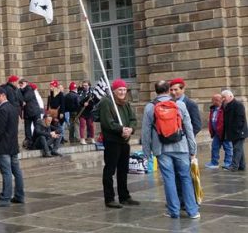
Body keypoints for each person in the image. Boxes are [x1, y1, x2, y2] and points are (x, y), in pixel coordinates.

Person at [141, 80, 198, 218]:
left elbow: (145, 132)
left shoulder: (150, 107)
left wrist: (147, 153)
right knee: (185, 178)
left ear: (156, 91)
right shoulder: (180, 105)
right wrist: (192, 149)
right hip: (181, 146)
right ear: (168, 90)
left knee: (169, 179)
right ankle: (192, 211)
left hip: (161, 148)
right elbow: (189, 128)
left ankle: (173, 211)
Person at [99, 79, 138, 209]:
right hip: (112, 141)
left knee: (123, 169)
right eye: (119, 90)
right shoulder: (106, 102)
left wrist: (130, 129)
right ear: (114, 91)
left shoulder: (125, 103)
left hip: (124, 141)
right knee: (110, 170)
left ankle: (124, 196)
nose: (122, 92)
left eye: (124, 90)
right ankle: (109, 198)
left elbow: (133, 119)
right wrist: (121, 129)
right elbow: (107, 122)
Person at [0, 86, 24, 207]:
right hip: (12, 145)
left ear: (3, 96)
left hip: (3, 146)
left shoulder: (3, 109)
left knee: (7, 172)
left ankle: (5, 197)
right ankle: (19, 195)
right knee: (16, 171)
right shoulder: (13, 108)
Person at [222, 89, 247, 171]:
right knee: (239, 149)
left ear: (230, 96)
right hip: (233, 132)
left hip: (239, 131)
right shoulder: (227, 105)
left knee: (237, 148)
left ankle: (234, 166)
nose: (223, 99)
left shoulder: (238, 105)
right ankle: (242, 166)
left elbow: (240, 119)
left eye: (224, 97)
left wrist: (237, 130)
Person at [206, 93, 231, 169]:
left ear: (217, 100)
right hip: (216, 132)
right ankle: (214, 162)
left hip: (224, 132)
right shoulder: (213, 109)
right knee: (214, 147)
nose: (211, 101)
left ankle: (228, 163)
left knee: (228, 148)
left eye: (213, 100)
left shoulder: (225, 108)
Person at [19, 78, 42, 148]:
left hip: (34, 112)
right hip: (28, 113)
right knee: (27, 129)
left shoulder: (29, 89)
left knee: (37, 128)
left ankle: (37, 141)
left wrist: (21, 98)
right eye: (20, 85)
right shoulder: (22, 91)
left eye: (22, 84)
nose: (21, 86)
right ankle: (29, 141)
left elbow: (25, 98)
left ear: (26, 83)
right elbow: (21, 100)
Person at [78, 80, 96, 144]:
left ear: (89, 86)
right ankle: (82, 139)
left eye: (86, 85)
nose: (84, 87)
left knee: (91, 125)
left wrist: (88, 104)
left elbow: (94, 103)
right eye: (83, 85)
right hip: (82, 111)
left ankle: (92, 138)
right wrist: (83, 103)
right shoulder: (80, 92)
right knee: (82, 125)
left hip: (89, 111)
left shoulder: (92, 93)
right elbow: (79, 101)